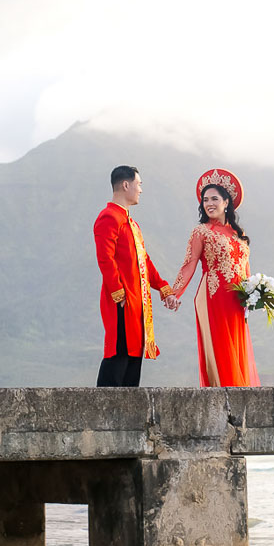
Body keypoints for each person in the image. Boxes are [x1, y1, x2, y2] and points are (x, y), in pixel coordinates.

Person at [167, 168, 260, 388]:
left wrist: (253, 296)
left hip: (236, 303)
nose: (209, 203)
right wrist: (174, 293)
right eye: (205, 199)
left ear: (226, 202)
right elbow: (189, 264)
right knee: (220, 351)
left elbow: (246, 270)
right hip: (212, 297)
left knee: (237, 351)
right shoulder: (201, 232)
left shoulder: (239, 235)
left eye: (214, 199)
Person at [93, 165, 176, 387]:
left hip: (137, 302)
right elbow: (105, 259)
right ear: (126, 185)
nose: (140, 190)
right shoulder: (109, 217)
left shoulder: (131, 223)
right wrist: (118, 293)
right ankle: (103, 410)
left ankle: (128, 417)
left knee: (133, 356)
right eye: (139, 184)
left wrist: (164, 289)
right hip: (121, 300)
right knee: (118, 353)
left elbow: (144, 262)